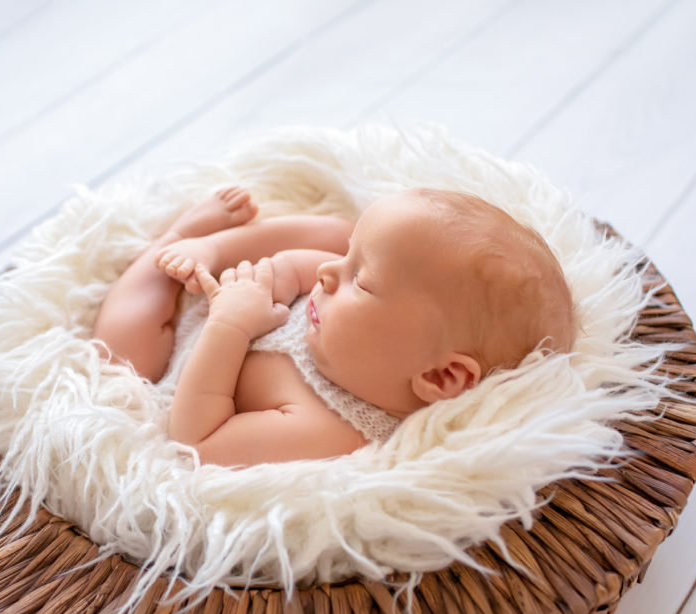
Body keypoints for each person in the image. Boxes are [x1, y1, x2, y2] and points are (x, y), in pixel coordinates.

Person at [93, 186, 575, 467]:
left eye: (360, 281)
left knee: (119, 354)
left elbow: (197, 439)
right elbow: (306, 267)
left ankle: (172, 241)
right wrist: (273, 275)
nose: (329, 273)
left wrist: (229, 326)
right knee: (334, 231)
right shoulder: (349, 308)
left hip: (183, 357)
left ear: (440, 378)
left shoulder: (331, 429)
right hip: (241, 289)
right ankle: (212, 243)